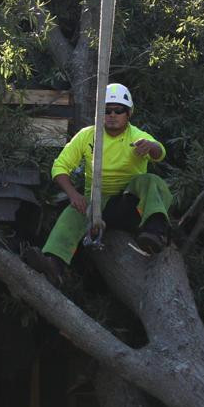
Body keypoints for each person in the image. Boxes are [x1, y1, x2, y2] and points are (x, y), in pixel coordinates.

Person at [24, 83, 173, 287]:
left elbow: (160, 153)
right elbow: (59, 166)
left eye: (118, 110)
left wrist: (151, 147)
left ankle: (155, 232)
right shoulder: (87, 135)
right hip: (96, 207)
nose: (112, 114)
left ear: (128, 114)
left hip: (129, 206)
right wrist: (73, 195)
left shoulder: (136, 135)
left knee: (151, 181)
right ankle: (54, 264)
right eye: (107, 110)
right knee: (72, 212)